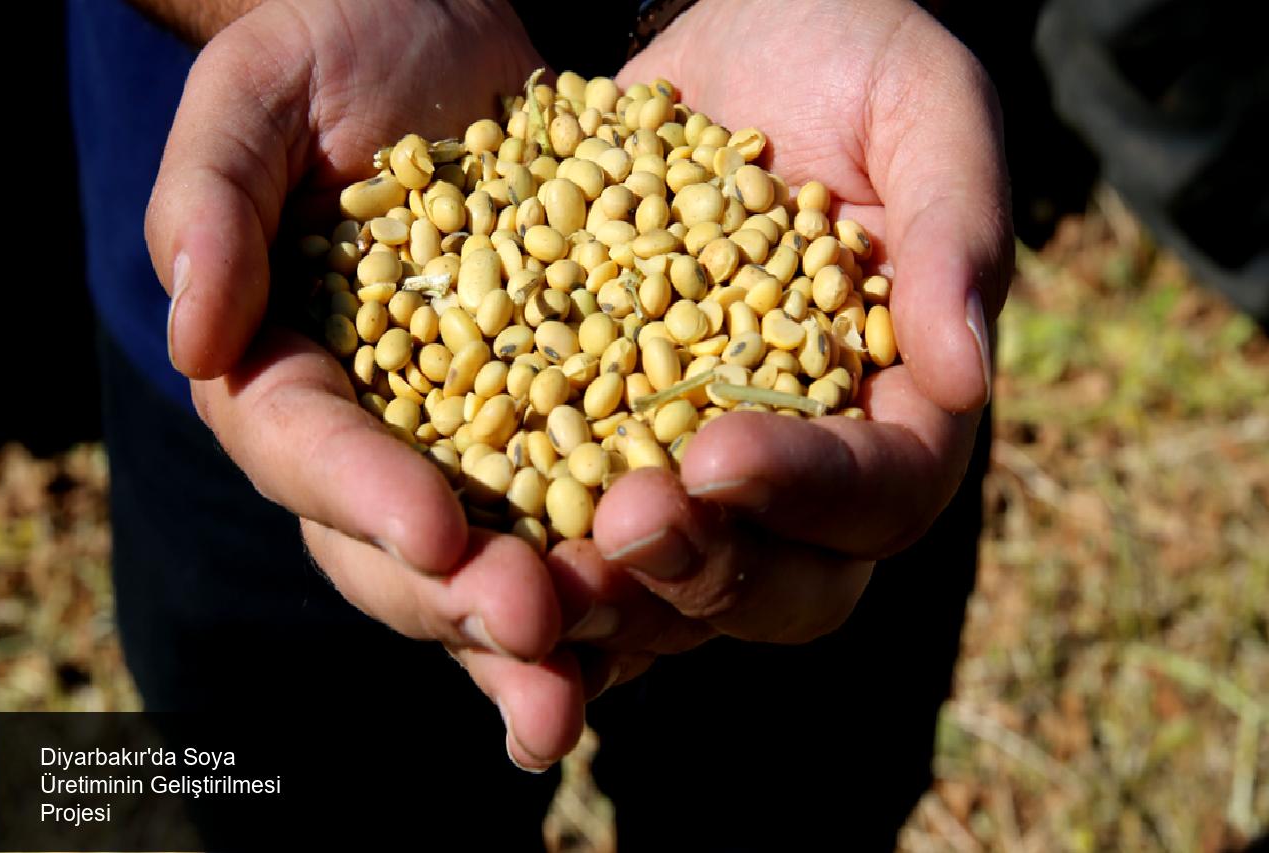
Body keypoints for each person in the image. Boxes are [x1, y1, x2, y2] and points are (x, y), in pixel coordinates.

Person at [72, 0, 1008, 847]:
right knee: (320, 805)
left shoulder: (773, 262)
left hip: (828, 265)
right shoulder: (414, 273)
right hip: (281, 254)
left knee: (785, 802)